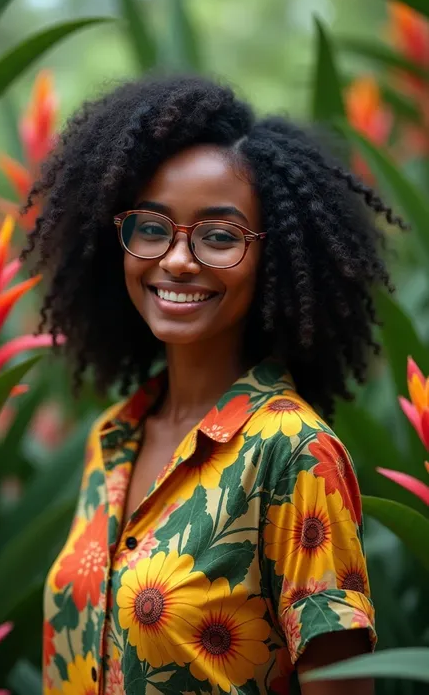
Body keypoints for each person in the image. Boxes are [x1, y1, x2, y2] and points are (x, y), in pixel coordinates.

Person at [23, 75, 403, 695]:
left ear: (271, 258)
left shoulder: (291, 452)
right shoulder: (112, 439)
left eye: (219, 236)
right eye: (151, 227)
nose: (176, 258)